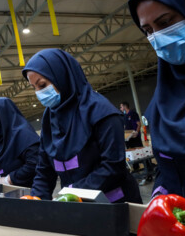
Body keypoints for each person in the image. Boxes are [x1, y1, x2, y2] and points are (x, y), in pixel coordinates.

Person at [23, 49, 142, 203]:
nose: (39, 93)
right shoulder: (49, 118)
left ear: (62, 76)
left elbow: (112, 167)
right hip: (75, 204)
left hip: (113, 203)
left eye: (42, 85)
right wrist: (35, 199)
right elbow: (44, 169)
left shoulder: (102, 112)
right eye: (34, 88)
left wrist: (72, 192)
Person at [128, 0, 185, 197]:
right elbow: (167, 165)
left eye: (165, 22)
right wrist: (160, 194)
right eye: (149, 31)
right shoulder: (160, 103)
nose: (159, 37)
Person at [0, 97, 40, 187]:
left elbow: (34, 164)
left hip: (29, 191)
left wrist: (10, 179)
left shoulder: (23, 134)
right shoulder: (0, 138)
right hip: (11, 191)